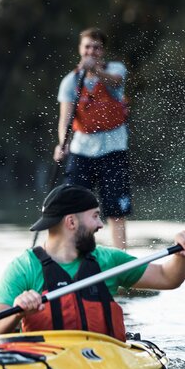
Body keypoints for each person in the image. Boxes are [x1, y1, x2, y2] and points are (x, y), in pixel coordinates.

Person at [0, 185, 185, 340]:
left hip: (103, 360)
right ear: (71, 222)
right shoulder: (23, 268)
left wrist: (182, 254)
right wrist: (18, 312)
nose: (100, 224)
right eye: (95, 216)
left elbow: (168, 277)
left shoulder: (109, 260)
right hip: (43, 363)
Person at [55, 27, 130, 249]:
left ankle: (120, 258)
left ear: (102, 50)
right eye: (87, 46)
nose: (91, 51)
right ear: (80, 49)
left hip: (113, 150)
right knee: (75, 208)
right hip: (82, 152)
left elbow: (115, 83)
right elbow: (65, 120)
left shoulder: (116, 70)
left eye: (96, 47)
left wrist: (95, 72)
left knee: (116, 211)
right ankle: (76, 254)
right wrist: (62, 144)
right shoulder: (70, 81)